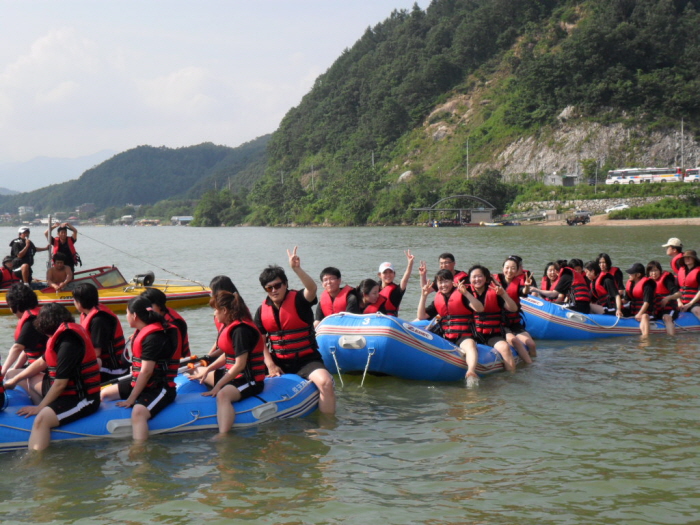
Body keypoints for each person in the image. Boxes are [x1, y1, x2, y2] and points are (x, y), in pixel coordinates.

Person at [5, 303, 100, 451]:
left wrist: (40, 408)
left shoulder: (69, 342)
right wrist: (14, 380)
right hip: (66, 392)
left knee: (41, 419)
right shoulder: (60, 336)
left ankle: (35, 461)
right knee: (29, 377)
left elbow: (60, 384)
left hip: (83, 398)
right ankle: (43, 410)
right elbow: (41, 362)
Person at [254, 246, 335, 414]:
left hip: (306, 360)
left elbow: (312, 289)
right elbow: (260, 342)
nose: (274, 290)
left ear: (285, 284)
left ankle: (327, 426)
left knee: (326, 382)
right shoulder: (262, 310)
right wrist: (270, 365)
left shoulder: (299, 300)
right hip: (277, 361)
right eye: (269, 288)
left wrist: (296, 269)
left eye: (277, 285)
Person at [101, 296, 181, 442]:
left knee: (138, 413)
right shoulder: (142, 332)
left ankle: (139, 450)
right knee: (104, 393)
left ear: (134, 315)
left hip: (160, 387)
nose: (126, 316)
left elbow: (146, 371)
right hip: (141, 384)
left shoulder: (154, 338)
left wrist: (131, 399)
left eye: (127, 313)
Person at [189, 290, 266, 435]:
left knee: (222, 395)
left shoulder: (241, 331)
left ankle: (223, 435)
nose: (214, 314)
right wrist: (208, 369)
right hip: (231, 376)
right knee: (195, 371)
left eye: (215, 310)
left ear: (224, 310)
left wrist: (218, 386)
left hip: (249, 380)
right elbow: (228, 354)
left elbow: (240, 365)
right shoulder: (231, 326)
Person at [416, 268, 483, 384]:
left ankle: (471, 371)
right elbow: (421, 316)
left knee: (470, 345)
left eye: (446, 281)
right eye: (440, 282)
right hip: (444, 336)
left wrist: (466, 293)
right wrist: (423, 296)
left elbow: (480, 308)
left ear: (452, 282)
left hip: (463, 336)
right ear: (437, 285)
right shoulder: (437, 299)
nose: (443, 285)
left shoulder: (462, 294)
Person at [2, 284, 48, 403]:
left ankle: (38, 405)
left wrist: (3, 373)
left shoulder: (32, 321)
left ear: (15, 306)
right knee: (12, 372)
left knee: (10, 375)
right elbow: (26, 350)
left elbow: (17, 348)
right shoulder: (38, 316)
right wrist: (15, 368)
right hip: (45, 368)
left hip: (47, 372)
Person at [73, 282, 128, 382]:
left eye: (74, 300)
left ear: (80, 302)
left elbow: (96, 353)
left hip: (113, 370)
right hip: (103, 365)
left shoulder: (99, 320)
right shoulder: (88, 314)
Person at [467, 265, 517, 372]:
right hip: (472, 334)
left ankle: (512, 376)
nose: (477, 279)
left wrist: (503, 295)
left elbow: (513, 308)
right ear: (469, 279)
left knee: (505, 347)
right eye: (474, 277)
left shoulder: (495, 293)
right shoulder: (466, 293)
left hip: (492, 334)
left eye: (480, 276)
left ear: (486, 278)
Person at [495, 256, 535, 362]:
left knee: (531, 344)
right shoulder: (494, 281)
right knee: (514, 340)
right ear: (503, 268)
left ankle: (534, 366)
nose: (509, 271)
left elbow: (523, 291)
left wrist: (527, 286)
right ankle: (527, 363)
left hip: (514, 322)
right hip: (499, 322)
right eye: (507, 267)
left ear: (517, 270)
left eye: (513, 268)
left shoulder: (518, 283)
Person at [140, 287, 191, 358]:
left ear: (159, 305)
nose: (147, 309)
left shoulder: (174, 324)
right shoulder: (155, 316)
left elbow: (174, 350)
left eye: (149, 306)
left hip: (178, 361)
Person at [377, 250, 415, 317]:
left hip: (390, 319)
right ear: (379, 275)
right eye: (385, 272)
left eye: (390, 272)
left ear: (394, 274)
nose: (388, 275)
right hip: (374, 318)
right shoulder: (374, 287)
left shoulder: (397, 290)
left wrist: (410, 264)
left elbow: (405, 280)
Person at [623, 263, 656, 338]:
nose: (629, 275)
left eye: (631, 273)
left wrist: (639, 314)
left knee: (644, 316)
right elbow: (626, 300)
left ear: (638, 275)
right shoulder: (631, 284)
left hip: (647, 313)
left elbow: (647, 302)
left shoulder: (647, 285)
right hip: (633, 311)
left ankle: (645, 338)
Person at [646, 260, 679, 335]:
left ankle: (671, 338)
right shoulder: (647, 283)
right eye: (651, 271)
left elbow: (678, 294)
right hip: (656, 310)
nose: (654, 273)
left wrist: (668, 298)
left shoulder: (666, 280)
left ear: (660, 271)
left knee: (667, 317)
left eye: (656, 270)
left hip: (669, 309)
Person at [675, 250, 700, 321]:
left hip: (694, 302)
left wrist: (690, 304)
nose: (687, 259)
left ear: (694, 259)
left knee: (697, 311)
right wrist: (679, 302)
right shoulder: (681, 270)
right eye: (685, 257)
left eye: (689, 257)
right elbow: (676, 289)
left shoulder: (698, 271)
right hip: (680, 302)